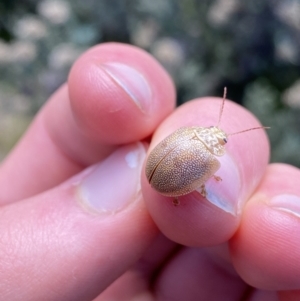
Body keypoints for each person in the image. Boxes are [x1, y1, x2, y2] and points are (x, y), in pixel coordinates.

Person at [0, 43, 299, 301]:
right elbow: (198, 176)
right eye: (218, 132)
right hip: (163, 180)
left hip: (162, 176)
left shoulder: (197, 142)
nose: (218, 133)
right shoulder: (210, 162)